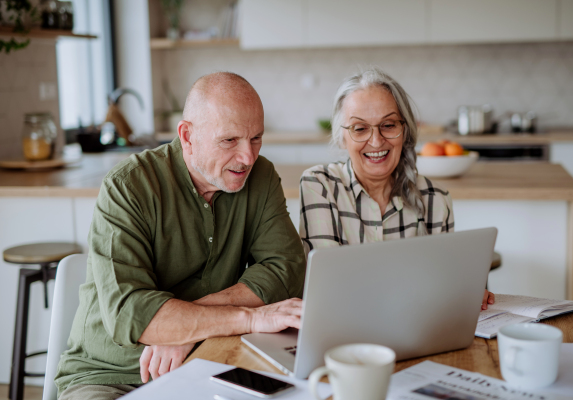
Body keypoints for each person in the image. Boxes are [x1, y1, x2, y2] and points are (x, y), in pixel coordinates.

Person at [55, 72, 306, 400]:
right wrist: (249, 317)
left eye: (256, 138)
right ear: (188, 136)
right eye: (229, 140)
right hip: (111, 374)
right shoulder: (127, 187)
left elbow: (285, 268)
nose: (247, 157)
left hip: (213, 358)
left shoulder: (261, 178)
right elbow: (131, 313)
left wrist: (187, 327)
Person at [299, 68, 494, 310]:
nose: (376, 141)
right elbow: (328, 287)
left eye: (388, 125)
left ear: (405, 130)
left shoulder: (436, 199)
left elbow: (444, 291)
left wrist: (464, 290)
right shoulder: (320, 185)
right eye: (360, 129)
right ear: (342, 138)